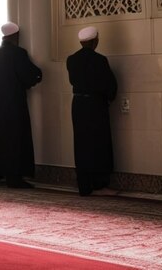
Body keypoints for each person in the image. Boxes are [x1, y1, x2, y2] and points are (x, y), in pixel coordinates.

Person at [0, 22, 42, 188]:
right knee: (14, 139)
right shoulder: (18, 53)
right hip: (13, 105)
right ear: (15, 36)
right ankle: (14, 177)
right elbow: (31, 75)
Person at [66, 26, 118, 196]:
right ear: (95, 41)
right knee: (98, 144)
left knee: (81, 144)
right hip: (95, 105)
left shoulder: (71, 59)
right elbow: (108, 85)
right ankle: (99, 184)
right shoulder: (99, 60)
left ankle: (84, 185)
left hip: (78, 105)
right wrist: (110, 96)